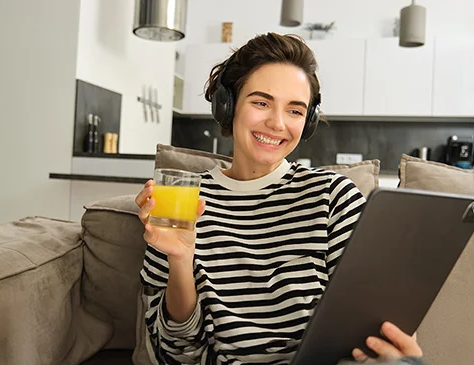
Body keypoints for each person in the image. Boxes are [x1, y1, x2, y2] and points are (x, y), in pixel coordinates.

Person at [134, 32, 424, 365]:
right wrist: (181, 260)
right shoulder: (179, 199)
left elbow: (374, 324)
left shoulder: (333, 197)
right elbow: (177, 354)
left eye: (295, 110)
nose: (277, 123)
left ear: (309, 120)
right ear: (227, 105)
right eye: (261, 102)